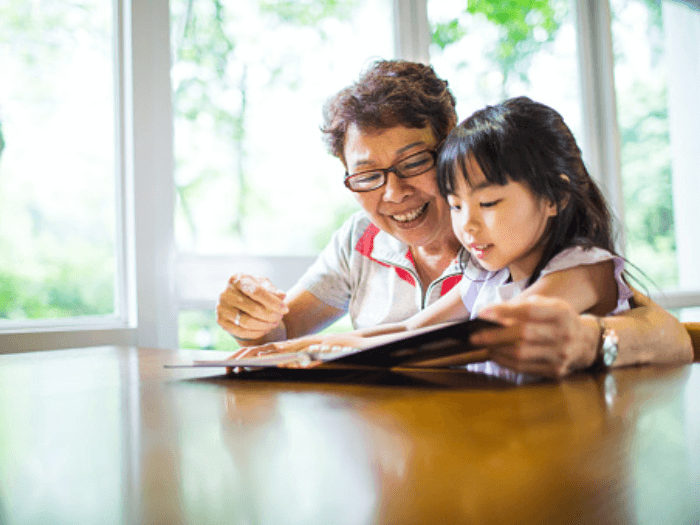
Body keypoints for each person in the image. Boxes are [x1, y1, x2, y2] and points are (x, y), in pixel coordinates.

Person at [217, 60, 692, 377]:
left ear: (449, 146)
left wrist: (595, 340)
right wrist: (272, 336)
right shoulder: (474, 263)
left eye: (413, 163)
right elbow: (407, 331)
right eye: (367, 175)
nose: (394, 192)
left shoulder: (544, 251)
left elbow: (663, 330)